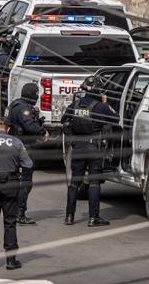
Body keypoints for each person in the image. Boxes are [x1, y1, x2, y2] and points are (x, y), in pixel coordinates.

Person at [61, 79, 118, 227]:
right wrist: (105, 103)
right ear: (99, 91)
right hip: (94, 148)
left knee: (74, 182)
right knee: (94, 183)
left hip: (78, 147)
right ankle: (93, 218)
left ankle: (69, 216)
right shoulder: (101, 106)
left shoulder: (75, 104)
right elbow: (116, 119)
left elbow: (63, 120)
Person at [5, 82, 48, 225]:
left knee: (14, 179)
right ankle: (20, 213)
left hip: (12, 145)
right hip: (23, 147)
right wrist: (42, 131)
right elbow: (29, 126)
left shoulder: (15, 104)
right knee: (26, 181)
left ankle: (12, 211)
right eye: (36, 94)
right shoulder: (23, 108)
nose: (37, 96)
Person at [0, 119, 31, 271]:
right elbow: (28, 164)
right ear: (8, 129)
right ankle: (11, 260)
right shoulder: (16, 142)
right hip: (10, 183)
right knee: (10, 222)